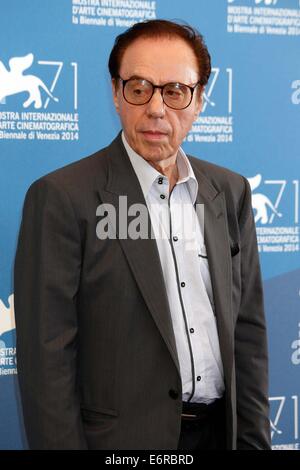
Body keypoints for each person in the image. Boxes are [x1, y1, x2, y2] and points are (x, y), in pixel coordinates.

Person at [14, 19, 271, 450]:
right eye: (139, 88)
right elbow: (47, 360)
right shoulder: (62, 197)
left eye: (174, 91)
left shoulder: (229, 192)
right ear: (116, 94)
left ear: (200, 99)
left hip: (218, 434)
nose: (156, 108)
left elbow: (248, 334)